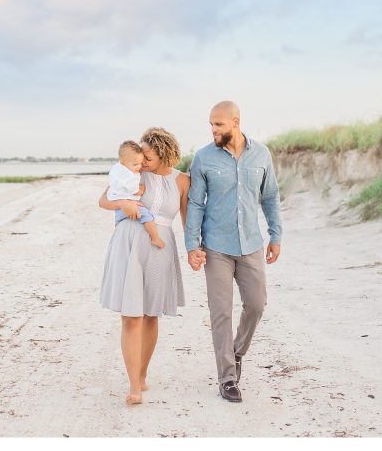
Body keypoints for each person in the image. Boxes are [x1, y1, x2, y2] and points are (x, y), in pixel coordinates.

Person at [185, 100, 282, 403]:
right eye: (211, 124)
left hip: (251, 244)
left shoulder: (261, 154)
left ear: (236, 122)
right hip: (217, 247)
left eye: (219, 124)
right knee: (221, 312)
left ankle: (237, 352)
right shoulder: (202, 158)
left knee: (256, 304)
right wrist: (192, 245)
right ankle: (227, 378)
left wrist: (275, 235)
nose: (213, 130)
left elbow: (270, 197)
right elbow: (196, 204)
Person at [98, 127, 190, 406]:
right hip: (129, 244)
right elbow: (103, 200)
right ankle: (133, 385)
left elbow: (188, 220)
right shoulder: (133, 174)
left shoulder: (183, 180)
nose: (142, 159)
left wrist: (195, 251)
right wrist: (124, 204)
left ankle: (142, 373)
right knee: (131, 315)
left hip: (162, 247)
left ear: (162, 153)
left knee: (151, 315)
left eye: (147, 155)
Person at [108, 140, 165, 249]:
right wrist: (141, 189)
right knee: (147, 217)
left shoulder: (117, 169)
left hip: (118, 210)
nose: (139, 166)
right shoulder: (127, 173)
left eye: (140, 162)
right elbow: (134, 190)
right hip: (130, 204)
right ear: (123, 161)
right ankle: (155, 238)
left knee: (119, 223)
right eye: (135, 164)